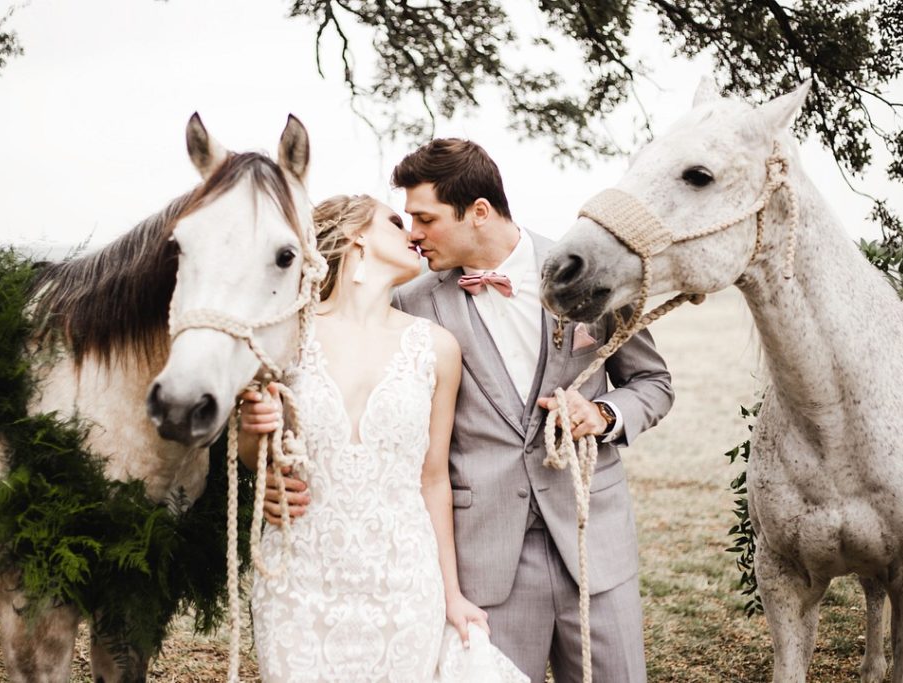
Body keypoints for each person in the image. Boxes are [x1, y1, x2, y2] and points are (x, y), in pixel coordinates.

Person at [264, 140, 673, 682]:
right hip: (486, 558)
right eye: (406, 219)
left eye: (425, 218)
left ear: (479, 212)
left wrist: (602, 414)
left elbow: (652, 381)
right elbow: (336, 386)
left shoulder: (589, 272)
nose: (412, 232)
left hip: (591, 541)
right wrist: (272, 472)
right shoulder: (408, 304)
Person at [239, 194, 528, 682]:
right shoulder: (285, 336)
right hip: (299, 575)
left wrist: (451, 594)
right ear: (356, 235)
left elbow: (433, 479)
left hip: (403, 579)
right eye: (396, 222)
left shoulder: (436, 346)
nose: (413, 233)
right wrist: (253, 429)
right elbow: (255, 457)